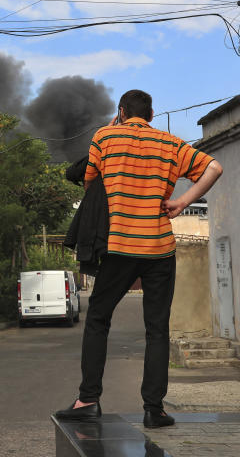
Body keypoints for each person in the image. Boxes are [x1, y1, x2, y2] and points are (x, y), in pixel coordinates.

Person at [55, 90, 222, 428]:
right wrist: (181, 201)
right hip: (160, 247)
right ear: (152, 114)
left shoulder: (105, 136)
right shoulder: (171, 144)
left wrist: (109, 130)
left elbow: (90, 184)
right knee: (157, 329)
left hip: (119, 246)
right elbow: (214, 167)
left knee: (99, 319)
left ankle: (88, 400)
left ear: (121, 111)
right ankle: (154, 410)